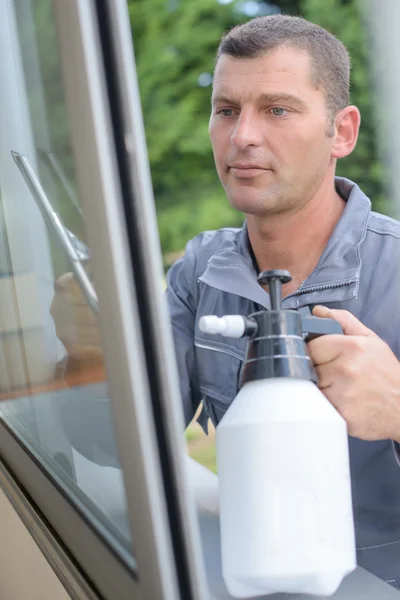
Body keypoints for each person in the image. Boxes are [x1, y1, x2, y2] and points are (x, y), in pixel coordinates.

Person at [51, 15, 400, 586]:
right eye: (226, 110)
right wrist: (91, 356)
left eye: (277, 110)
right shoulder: (199, 272)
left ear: (342, 131)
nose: (243, 137)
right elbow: (114, 445)